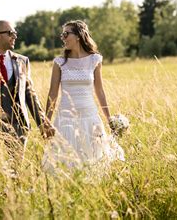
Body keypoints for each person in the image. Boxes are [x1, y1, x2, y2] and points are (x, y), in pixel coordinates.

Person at [0, 20, 55, 164]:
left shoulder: (22, 61)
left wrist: (43, 123)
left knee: (15, 171)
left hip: (18, 126)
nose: (14, 36)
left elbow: (30, 95)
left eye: (15, 33)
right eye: (10, 33)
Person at [42, 20, 124, 172]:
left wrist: (109, 119)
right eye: (62, 35)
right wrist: (46, 122)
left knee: (93, 161)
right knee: (66, 162)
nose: (63, 38)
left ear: (78, 35)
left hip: (90, 118)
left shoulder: (95, 60)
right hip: (66, 119)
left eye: (66, 34)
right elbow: (52, 93)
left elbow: (100, 91)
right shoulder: (59, 62)